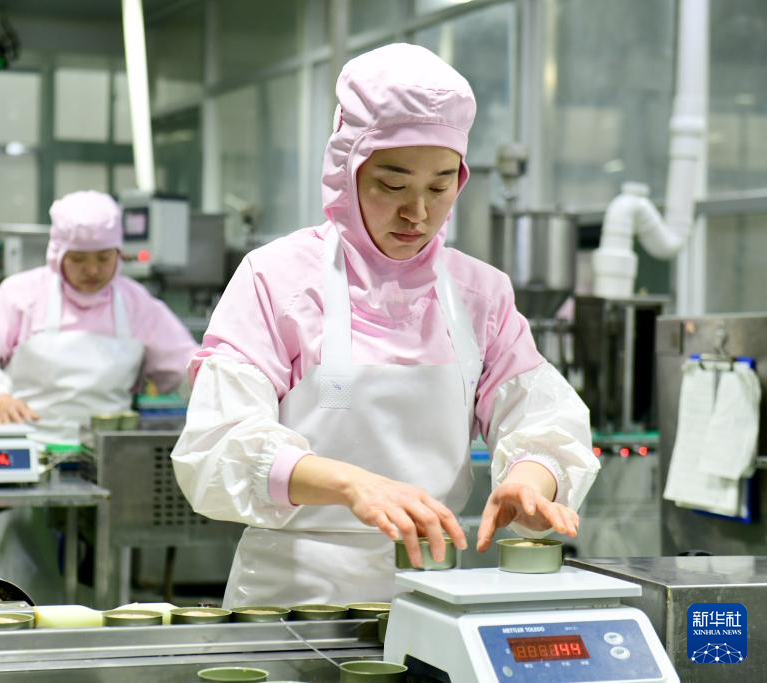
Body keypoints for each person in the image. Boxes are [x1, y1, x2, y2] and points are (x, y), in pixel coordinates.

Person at [171, 44, 601, 607]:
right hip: (292, 598)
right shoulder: (276, 279)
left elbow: (543, 418)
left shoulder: (480, 295)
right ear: (346, 172)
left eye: (440, 186)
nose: (417, 213)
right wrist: (351, 484)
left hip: (434, 591)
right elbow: (217, 446)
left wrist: (531, 479)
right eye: (393, 185)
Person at [0, 190, 198, 600]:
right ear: (58, 253)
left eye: (104, 258)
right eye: (79, 259)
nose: (92, 270)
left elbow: (188, 368)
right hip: (25, 461)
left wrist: (231, 401)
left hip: (104, 466)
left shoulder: (136, 305)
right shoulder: (22, 295)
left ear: (118, 253)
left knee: (97, 591)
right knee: (16, 584)